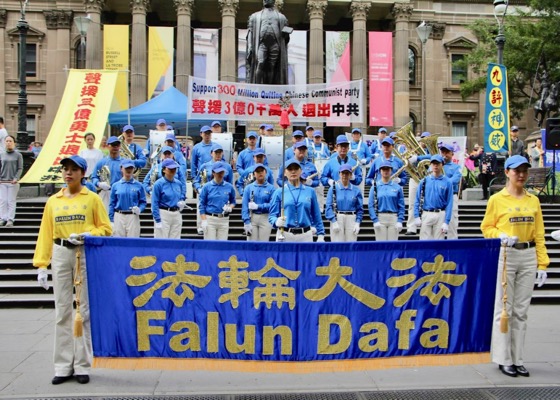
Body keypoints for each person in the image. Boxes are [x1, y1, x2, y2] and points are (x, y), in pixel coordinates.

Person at [34, 155, 111, 385]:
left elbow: (106, 228)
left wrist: (90, 234)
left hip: (82, 253)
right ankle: (62, 365)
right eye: (66, 169)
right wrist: (41, 264)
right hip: (60, 252)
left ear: (82, 173)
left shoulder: (92, 199)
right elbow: (45, 232)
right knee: (62, 311)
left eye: (74, 169)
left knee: (83, 311)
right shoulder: (53, 201)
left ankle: (82, 364)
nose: (69, 173)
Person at [480, 155, 549, 378]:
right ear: (507, 172)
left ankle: (518, 359)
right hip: (507, 255)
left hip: (528, 255)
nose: (521, 175)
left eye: (525, 171)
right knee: (504, 309)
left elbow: (539, 233)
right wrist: (499, 235)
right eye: (517, 170)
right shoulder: (497, 199)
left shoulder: (533, 200)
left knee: (521, 311)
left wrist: (542, 263)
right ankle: (503, 359)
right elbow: (486, 227)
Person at [269, 159, 325, 242]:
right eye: (290, 169)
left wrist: (320, 234)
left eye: (296, 169)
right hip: (285, 234)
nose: (293, 172)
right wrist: (276, 221)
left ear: (301, 171)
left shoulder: (310, 191)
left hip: (305, 235)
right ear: (284, 172)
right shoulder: (279, 192)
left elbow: (316, 215)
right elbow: (272, 215)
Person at [246, 0, 290, 85]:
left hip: (275, 44)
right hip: (262, 44)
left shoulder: (281, 17)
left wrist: (286, 34)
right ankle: (257, 87)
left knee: (272, 66)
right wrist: (250, 46)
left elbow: (285, 39)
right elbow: (250, 33)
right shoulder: (255, 16)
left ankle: (269, 87)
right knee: (260, 62)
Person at [413, 155, 453, 240]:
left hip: (440, 213)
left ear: (442, 165)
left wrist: (446, 221)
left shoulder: (448, 182)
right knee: (424, 242)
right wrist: (416, 215)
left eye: (438, 163)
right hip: (426, 213)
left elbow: (449, 202)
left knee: (439, 243)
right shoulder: (424, 181)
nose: (435, 166)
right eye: (433, 163)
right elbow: (417, 198)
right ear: (430, 165)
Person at [325, 164, 363, 242]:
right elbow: (328, 206)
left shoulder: (356, 190)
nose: (345, 175)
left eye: (347, 173)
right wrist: (333, 221)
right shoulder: (333, 188)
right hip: (337, 218)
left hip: (351, 218)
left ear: (350, 175)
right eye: (343, 173)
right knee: (337, 245)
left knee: (351, 245)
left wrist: (357, 222)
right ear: (339, 174)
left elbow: (360, 209)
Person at [109, 159, 147, 238]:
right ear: (121, 168)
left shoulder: (139, 185)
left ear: (133, 169)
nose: (128, 170)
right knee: (119, 242)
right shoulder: (115, 185)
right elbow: (112, 203)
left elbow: (143, 202)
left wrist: (139, 209)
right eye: (126, 168)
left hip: (132, 216)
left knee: (133, 242)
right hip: (119, 215)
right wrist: (111, 219)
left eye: (131, 168)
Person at [199, 161, 237, 240]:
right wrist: (203, 220)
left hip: (224, 219)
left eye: (222, 172)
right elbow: (202, 204)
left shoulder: (229, 187)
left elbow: (233, 201)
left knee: (222, 246)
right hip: (210, 218)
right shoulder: (207, 187)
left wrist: (230, 207)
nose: (220, 174)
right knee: (210, 246)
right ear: (213, 173)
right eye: (218, 172)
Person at [368, 160, 405, 241]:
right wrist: (375, 220)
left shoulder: (397, 187)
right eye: (383, 169)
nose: (385, 171)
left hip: (393, 217)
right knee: (380, 246)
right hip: (380, 217)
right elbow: (371, 205)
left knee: (393, 246)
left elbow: (401, 205)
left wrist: (400, 220)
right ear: (380, 171)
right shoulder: (375, 186)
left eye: (387, 169)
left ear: (391, 170)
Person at [151, 158, 187, 239]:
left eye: (174, 168)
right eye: (170, 168)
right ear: (164, 170)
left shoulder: (178, 183)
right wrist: (157, 219)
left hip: (176, 213)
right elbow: (154, 202)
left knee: (176, 240)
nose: (173, 170)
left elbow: (181, 195)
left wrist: (182, 201)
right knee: (162, 241)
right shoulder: (158, 184)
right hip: (163, 213)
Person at [242, 163, 275, 242]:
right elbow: (245, 206)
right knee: (251, 244)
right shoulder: (249, 188)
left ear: (265, 172)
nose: (260, 173)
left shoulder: (271, 188)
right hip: (252, 216)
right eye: (257, 171)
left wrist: (259, 206)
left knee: (264, 243)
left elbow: (273, 205)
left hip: (265, 217)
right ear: (254, 174)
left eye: (262, 171)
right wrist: (246, 222)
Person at [91, 136, 124, 210]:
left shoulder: (124, 162)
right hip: (105, 192)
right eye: (113, 145)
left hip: (120, 193)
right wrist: (99, 183)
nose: (115, 147)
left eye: (117, 145)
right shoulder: (102, 162)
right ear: (108, 146)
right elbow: (94, 177)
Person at [439, 142, 462, 240]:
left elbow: (455, 180)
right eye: (443, 152)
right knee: (438, 223)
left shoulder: (457, 167)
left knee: (452, 222)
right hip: (439, 197)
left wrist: (441, 183)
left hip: (451, 196)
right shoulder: (437, 165)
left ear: (452, 153)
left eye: (447, 152)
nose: (444, 154)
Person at [0, 136, 23, 227]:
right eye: (7, 141)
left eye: (10, 141)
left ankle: (10, 219)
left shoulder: (18, 155)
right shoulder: (1, 154)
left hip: (13, 182)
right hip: (2, 181)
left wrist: (16, 178)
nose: (8, 143)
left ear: (14, 143)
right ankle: (2, 218)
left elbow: (20, 168)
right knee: (3, 200)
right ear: (4, 142)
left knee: (11, 201)